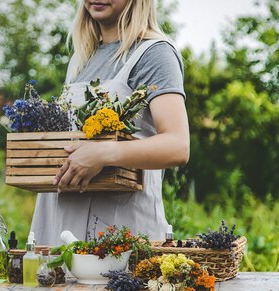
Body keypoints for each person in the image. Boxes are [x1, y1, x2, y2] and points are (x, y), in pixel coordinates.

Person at [30, 0, 190, 246]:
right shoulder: (80, 60)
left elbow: (177, 145)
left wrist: (102, 154)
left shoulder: (154, 53)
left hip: (118, 227)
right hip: (59, 224)